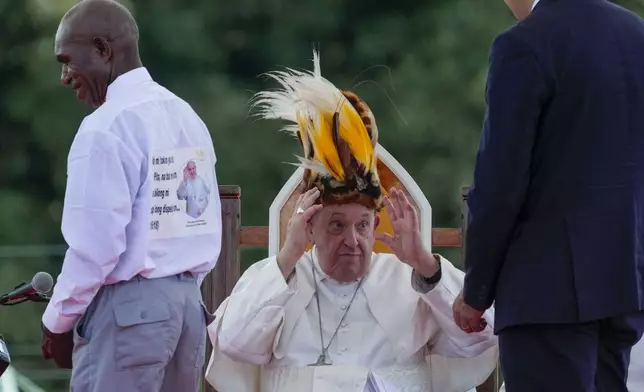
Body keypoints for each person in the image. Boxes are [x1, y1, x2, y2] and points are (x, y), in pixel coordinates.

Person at [204, 50, 498, 392]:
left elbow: (482, 335)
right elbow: (235, 344)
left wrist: (425, 264)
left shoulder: (409, 278)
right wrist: (287, 257)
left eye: (362, 225)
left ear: (376, 226)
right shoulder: (279, 277)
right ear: (309, 226)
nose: (353, 240)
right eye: (337, 225)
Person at [453, 0, 644, 391]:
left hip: (547, 294)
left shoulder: (524, 44)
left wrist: (476, 292)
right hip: (625, 278)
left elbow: (500, 182)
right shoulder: (636, 34)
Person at [40, 1, 221, 391]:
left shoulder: (105, 128)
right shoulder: (187, 116)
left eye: (68, 60)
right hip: (188, 309)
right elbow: (201, 220)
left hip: (129, 313)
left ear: (103, 50)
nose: (64, 76)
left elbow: (96, 248)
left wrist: (58, 322)